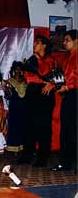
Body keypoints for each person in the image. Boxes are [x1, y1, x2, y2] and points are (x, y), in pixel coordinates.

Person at [17, 34, 56, 167]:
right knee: (29, 125)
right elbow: (27, 76)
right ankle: (28, 154)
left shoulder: (50, 60)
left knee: (43, 126)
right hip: (32, 91)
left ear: (44, 45)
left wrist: (39, 60)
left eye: (38, 43)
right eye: (34, 43)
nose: (34, 45)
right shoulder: (32, 59)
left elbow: (46, 74)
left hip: (44, 93)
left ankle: (43, 157)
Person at [51, 29, 77, 173]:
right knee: (66, 131)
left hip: (75, 93)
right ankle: (65, 162)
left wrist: (68, 86)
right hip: (68, 95)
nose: (64, 42)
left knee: (74, 131)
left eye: (67, 40)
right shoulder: (67, 58)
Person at [5, 61, 27, 153]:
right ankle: (14, 148)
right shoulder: (10, 81)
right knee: (14, 126)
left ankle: (23, 147)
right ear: (13, 70)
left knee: (23, 126)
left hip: (24, 106)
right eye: (16, 69)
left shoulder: (26, 81)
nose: (18, 71)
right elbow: (8, 96)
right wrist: (7, 89)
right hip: (14, 106)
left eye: (19, 69)